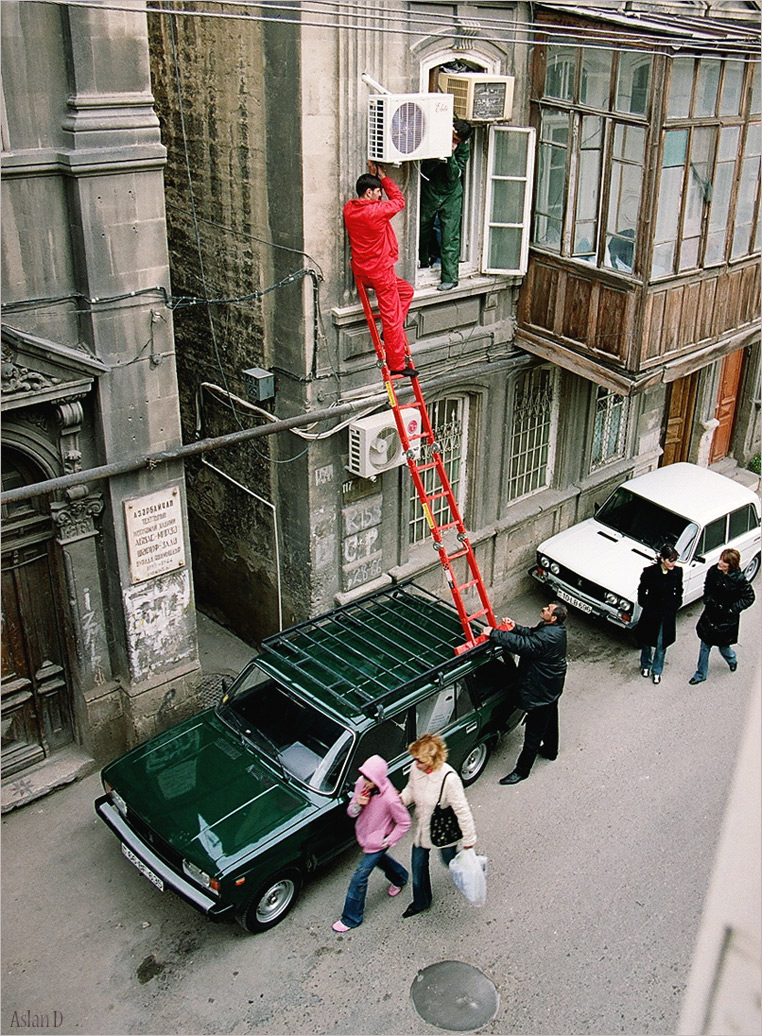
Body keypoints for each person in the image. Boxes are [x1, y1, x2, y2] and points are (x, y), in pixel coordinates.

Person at [343, 161, 416, 377]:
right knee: (392, 318)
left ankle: (388, 335)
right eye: (377, 192)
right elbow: (399, 200)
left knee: (406, 291)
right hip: (381, 272)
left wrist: (375, 180)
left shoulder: (350, 208)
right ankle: (397, 364)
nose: (380, 195)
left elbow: (380, 203)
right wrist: (383, 176)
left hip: (362, 270)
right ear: (369, 192)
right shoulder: (377, 211)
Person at [484, 602, 568, 785]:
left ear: (553, 618)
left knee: (533, 734)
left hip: (541, 691)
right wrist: (515, 627)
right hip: (550, 687)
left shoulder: (549, 636)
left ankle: (522, 771)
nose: (544, 608)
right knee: (550, 719)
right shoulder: (552, 628)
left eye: (548, 609)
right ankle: (551, 750)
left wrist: (494, 633)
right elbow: (531, 634)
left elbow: (525, 645)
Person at [398, 733, 476, 917]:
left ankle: (472, 866)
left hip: (442, 830)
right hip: (423, 829)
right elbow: (411, 789)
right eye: (415, 760)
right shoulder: (415, 768)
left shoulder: (449, 779)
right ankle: (421, 901)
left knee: (449, 861)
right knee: (418, 865)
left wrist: (469, 839)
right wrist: (401, 799)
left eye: (420, 761)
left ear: (433, 759)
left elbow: (462, 809)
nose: (416, 764)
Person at [332, 754, 411, 932]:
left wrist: (387, 841)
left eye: (369, 779)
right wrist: (358, 804)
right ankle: (400, 877)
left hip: (378, 842)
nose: (365, 782)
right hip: (365, 835)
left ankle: (351, 918)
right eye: (365, 777)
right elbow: (352, 812)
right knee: (382, 861)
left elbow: (404, 822)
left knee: (359, 877)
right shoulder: (362, 783)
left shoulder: (390, 798)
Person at [418, 118, 474, 291]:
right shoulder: (436, 136)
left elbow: (454, 175)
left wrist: (450, 155)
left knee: (450, 234)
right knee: (423, 227)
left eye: (456, 140)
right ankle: (423, 262)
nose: (452, 141)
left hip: (451, 194)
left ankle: (450, 276)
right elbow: (424, 169)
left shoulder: (463, 149)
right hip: (431, 189)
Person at [689, 548, 755, 685]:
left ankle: (732, 660)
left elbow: (749, 597)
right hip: (711, 614)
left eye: (724, 561)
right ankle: (701, 674)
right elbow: (707, 585)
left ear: (731, 564)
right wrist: (707, 598)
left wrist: (732, 609)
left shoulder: (739, 580)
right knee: (705, 645)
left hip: (726, 619)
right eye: (721, 559)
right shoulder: (714, 571)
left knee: (723, 647)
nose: (720, 562)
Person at [635, 543, 683, 685]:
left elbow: (679, 590)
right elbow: (642, 590)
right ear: (662, 559)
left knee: (662, 644)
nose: (673, 563)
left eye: (674, 560)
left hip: (667, 613)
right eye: (670, 560)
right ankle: (645, 665)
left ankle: (657, 671)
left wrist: (676, 604)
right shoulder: (649, 572)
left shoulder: (677, 572)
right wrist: (645, 603)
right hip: (652, 612)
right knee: (646, 641)